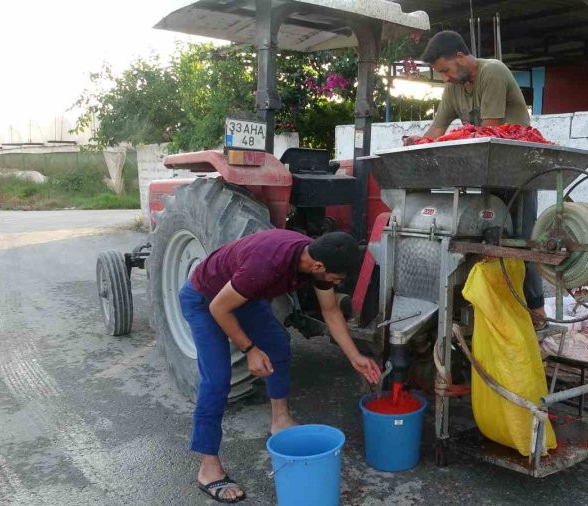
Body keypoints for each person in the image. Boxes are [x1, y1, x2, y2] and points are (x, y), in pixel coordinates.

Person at [180, 229, 381, 502]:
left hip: (243, 295)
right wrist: (250, 350)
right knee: (216, 380)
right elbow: (219, 308)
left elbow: (331, 311)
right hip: (206, 300)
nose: (337, 283)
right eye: (337, 278)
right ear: (319, 267)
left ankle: (281, 420)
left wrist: (355, 355)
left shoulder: (316, 259)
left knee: (277, 345)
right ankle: (208, 467)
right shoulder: (267, 264)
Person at [412, 30, 547, 329]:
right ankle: (492, 313)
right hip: (486, 171)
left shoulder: (493, 71)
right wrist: (418, 145)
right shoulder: (453, 87)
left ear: (461, 56)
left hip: (517, 171)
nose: (445, 78)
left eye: (446, 70)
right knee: (482, 241)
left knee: (519, 244)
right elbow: (437, 130)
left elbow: (489, 131)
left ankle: (537, 314)